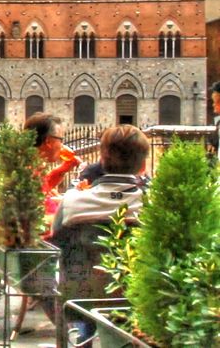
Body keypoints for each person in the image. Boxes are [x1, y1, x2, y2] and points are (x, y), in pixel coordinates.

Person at [49, 125, 149, 346]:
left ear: (102, 161)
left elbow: (56, 244)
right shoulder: (153, 207)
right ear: (143, 166)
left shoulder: (72, 203)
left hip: (79, 302)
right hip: (136, 302)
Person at [23, 113, 79, 194]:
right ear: (48, 141)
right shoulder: (26, 171)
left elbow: (43, 188)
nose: (62, 145)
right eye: (61, 140)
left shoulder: (33, 166)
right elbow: (39, 198)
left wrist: (63, 169)